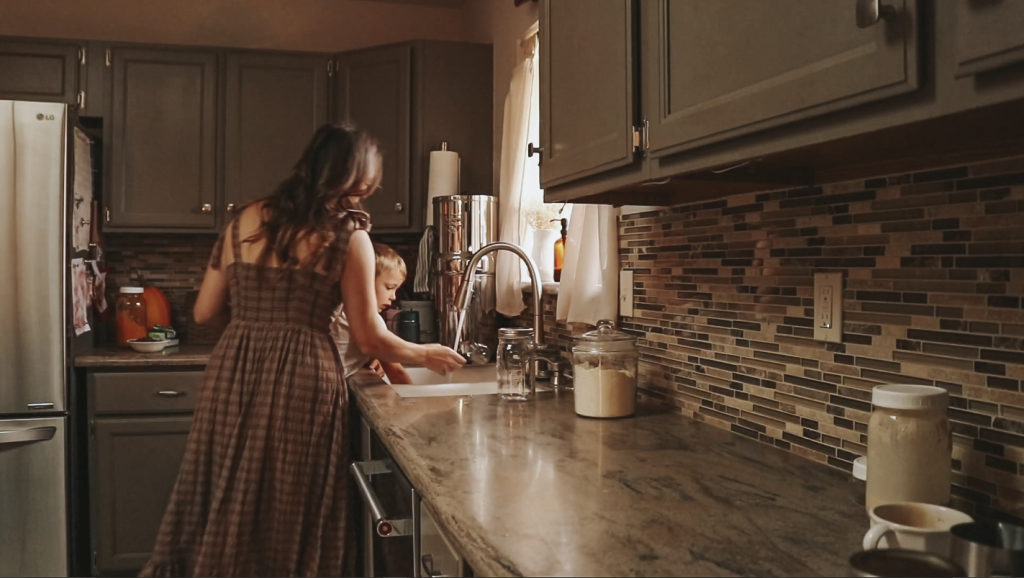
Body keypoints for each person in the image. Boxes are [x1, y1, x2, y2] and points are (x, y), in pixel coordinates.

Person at [140, 123, 465, 577]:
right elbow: (369, 337)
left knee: (222, 488)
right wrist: (426, 353)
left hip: (234, 366)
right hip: (305, 374)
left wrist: (253, 330)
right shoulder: (350, 237)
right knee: (291, 500)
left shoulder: (244, 219)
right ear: (361, 178)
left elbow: (204, 312)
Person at [331, 242, 413, 384]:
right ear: (364, 280)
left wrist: (373, 356)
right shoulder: (364, 316)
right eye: (389, 287)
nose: (393, 296)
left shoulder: (338, 308)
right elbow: (397, 373)